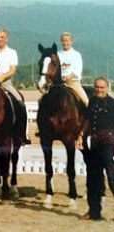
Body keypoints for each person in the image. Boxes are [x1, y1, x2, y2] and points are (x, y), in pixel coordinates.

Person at [76, 77, 114, 220]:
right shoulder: (91, 102)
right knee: (93, 177)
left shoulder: (112, 104)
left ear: (107, 88)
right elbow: (87, 121)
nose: (99, 89)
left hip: (109, 142)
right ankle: (94, 211)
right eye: (97, 87)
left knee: (111, 175)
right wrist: (80, 136)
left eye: (102, 87)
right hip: (94, 142)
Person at [0, 29, 31, 145]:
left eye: (2, 37)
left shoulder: (11, 52)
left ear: (6, 38)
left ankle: (22, 134)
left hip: (5, 82)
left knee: (20, 103)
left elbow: (12, 70)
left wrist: (2, 77)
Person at [57, 32, 89, 106]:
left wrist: (68, 77)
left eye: (67, 41)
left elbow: (77, 70)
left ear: (71, 41)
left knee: (86, 102)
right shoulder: (58, 54)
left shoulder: (76, 55)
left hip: (73, 82)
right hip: (59, 83)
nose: (65, 43)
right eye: (63, 41)